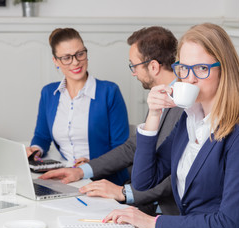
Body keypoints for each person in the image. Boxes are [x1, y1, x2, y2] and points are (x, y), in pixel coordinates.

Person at [103, 23, 239, 228]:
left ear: (224, 70)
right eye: (184, 68)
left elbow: (228, 225)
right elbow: (144, 181)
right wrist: (153, 115)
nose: (189, 79)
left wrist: (153, 223)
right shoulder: (188, 120)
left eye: (201, 68)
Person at [39, 26, 183, 216]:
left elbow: (180, 172)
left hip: (167, 209)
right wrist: (81, 171)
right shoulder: (162, 95)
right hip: (145, 198)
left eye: (134, 66)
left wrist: (125, 192)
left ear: (154, 67)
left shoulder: (184, 104)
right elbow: (134, 147)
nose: (133, 73)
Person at [27, 28, 129, 186]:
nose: (75, 62)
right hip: (65, 178)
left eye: (80, 54)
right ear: (56, 61)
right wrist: (35, 150)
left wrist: (91, 165)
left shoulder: (109, 92)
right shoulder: (49, 93)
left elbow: (121, 149)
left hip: (103, 180)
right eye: (66, 58)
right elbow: (42, 136)